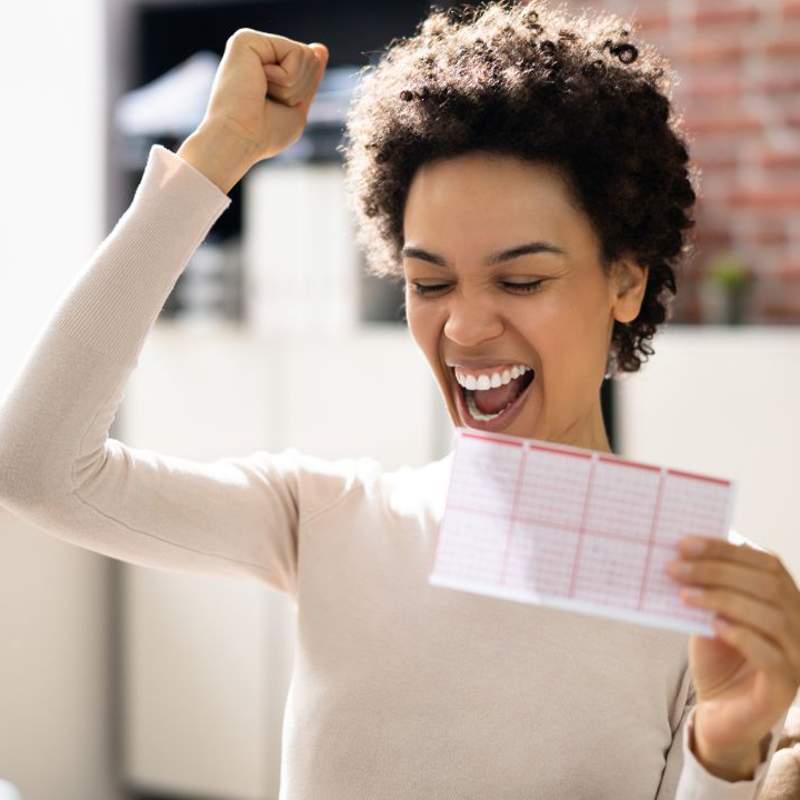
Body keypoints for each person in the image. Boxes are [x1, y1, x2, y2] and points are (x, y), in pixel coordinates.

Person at [0, 1, 798, 797]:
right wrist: (215, 158)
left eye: (522, 280)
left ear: (625, 279)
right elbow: (38, 468)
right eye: (430, 282)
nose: (466, 326)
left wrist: (723, 746)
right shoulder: (333, 520)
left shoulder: (716, 595)